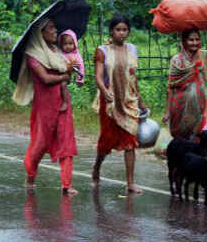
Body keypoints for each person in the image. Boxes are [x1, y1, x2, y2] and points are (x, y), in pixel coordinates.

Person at [12, 18, 78, 195]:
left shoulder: (57, 51)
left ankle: (66, 184)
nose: (55, 31)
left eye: (55, 27)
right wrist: (65, 76)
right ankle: (31, 174)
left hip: (63, 102)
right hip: (45, 106)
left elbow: (66, 75)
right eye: (51, 28)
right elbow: (46, 79)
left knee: (66, 141)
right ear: (40, 33)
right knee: (40, 145)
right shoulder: (32, 54)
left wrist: (70, 70)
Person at [91, 15, 148, 194]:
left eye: (124, 30)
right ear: (111, 31)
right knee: (106, 141)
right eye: (118, 29)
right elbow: (98, 76)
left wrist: (141, 101)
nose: (121, 33)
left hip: (128, 100)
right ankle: (97, 167)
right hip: (109, 101)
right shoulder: (102, 51)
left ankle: (130, 183)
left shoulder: (132, 49)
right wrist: (103, 89)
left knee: (130, 141)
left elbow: (133, 77)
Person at [162, 18, 207, 139]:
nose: (194, 42)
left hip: (199, 105)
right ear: (184, 41)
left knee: (199, 139)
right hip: (179, 106)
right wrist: (167, 112)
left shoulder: (204, 54)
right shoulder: (176, 60)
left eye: (197, 39)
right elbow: (170, 87)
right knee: (180, 140)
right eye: (191, 40)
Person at [58, 29, 85, 112]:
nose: (68, 46)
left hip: (66, 75)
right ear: (61, 45)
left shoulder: (76, 55)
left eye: (70, 44)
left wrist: (80, 79)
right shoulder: (60, 53)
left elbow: (81, 67)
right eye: (65, 44)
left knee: (63, 85)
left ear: (75, 44)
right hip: (58, 73)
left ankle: (65, 102)